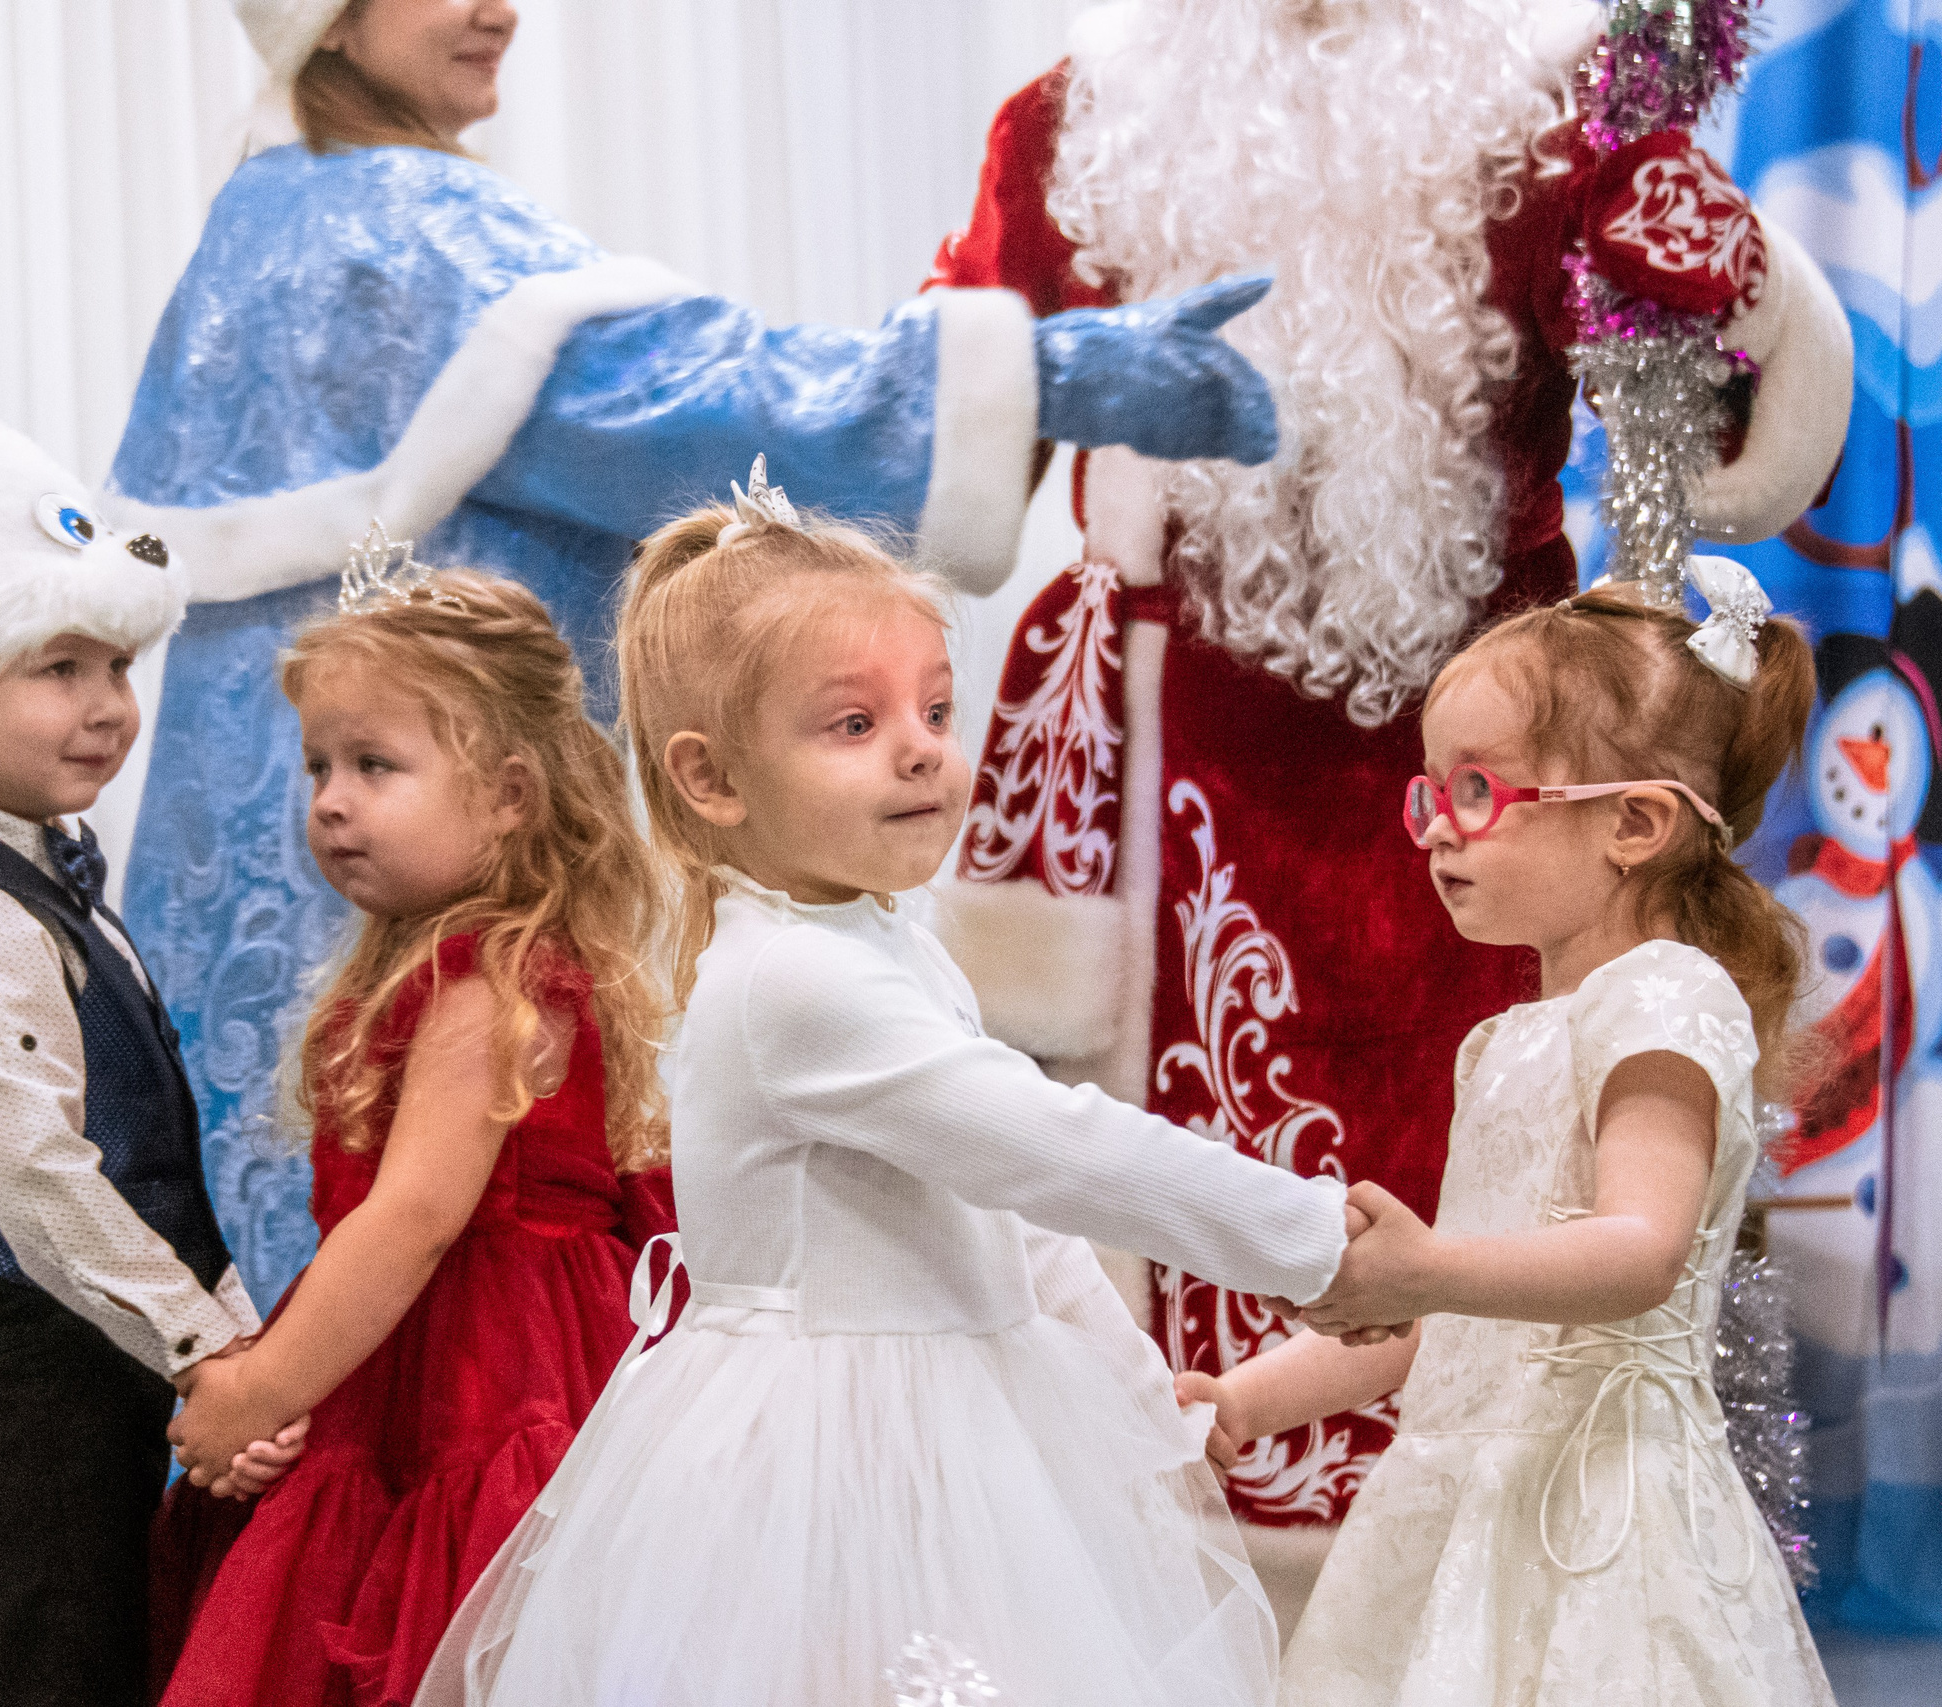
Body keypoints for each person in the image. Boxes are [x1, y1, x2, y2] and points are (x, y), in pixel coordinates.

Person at [107, 0, 1287, 1302]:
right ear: (325, 23)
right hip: (444, 890)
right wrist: (1051, 369)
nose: (499, 8)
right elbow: (706, 403)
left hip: (294, 877)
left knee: (296, 1323)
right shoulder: (408, 231)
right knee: (454, 1348)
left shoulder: (270, 217)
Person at [926, 0, 1852, 1538]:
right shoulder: (1066, 126)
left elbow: (1722, 440)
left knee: (1527, 1172)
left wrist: (1712, 267)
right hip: (1176, 784)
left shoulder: (1566, 110)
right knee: (1171, 1240)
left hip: (1517, 773)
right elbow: (946, 459)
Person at [413, 476, 1364, 1707]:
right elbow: (1046, 1145)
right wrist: (1314, 1241)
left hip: (951, 1423)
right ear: (710, 780)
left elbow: (1008, 1217)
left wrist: (1138, 1388)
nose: (921, 747)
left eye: (933, 708)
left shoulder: (885, 941)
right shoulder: (797, 982)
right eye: (852, 725)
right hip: (824, 1455)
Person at [1177, 559, 1839, 1704]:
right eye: (1428, 796)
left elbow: (1640, 1247)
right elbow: (1454, 1322)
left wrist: (1428, 1263)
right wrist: (1251, 1398)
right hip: (1459, 1514)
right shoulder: (1508, 1041)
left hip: (1600, 1528)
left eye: (1477, 793)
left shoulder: (1665, 998)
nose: (1436, 832)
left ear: (1632, 823)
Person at [0, 417, 299, 1707]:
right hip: (8, 1390)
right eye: (59, 667)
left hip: (98, 1355)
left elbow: (148, 1164)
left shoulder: (45, 877)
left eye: (118, 664)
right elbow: (40, 1177)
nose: (107, 707)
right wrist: (212, 1351)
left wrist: (234, 1340)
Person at [153, 559, 677, 1707]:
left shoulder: (489, 981)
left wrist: (260, 1387)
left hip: (493, 1379)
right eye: (319, 767)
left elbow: (412, 1222)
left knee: (449, 1623)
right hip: (409, 1364)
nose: (331, 799)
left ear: (507, 795)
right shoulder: (428, 964)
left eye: (375, 766)